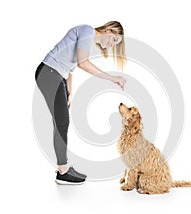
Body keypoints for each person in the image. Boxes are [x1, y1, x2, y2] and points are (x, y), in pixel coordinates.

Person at [35, 21, 127, 184]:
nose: (112, 45)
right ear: (108, 30)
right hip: (49, 72)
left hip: (56, 75)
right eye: (114, 40)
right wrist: (112, 78)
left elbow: (70, 68)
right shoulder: (87, 31)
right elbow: (82, 63)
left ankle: (63, 168)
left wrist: (69, 91)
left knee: (61, 121)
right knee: (62, 122)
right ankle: (62, 171)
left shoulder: (88, 39)